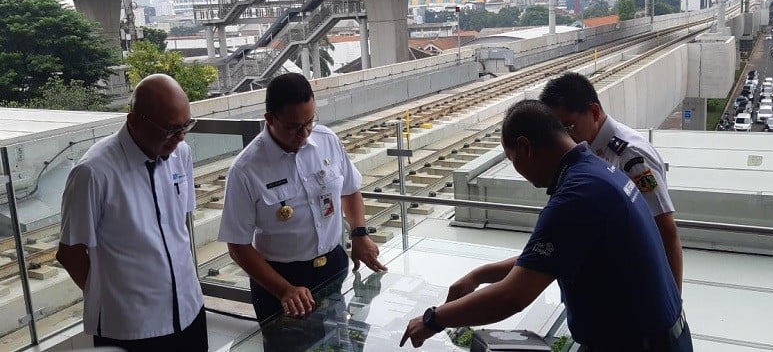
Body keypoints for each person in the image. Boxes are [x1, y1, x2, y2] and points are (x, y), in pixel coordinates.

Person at [400, 100, 691, 351]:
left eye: (512, 159)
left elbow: (513, 296)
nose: (517, 169)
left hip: (638, 346)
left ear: (525, 147)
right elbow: (548, 259)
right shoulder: (597, 172)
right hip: (656, 337)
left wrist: (433, 319)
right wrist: (479, 275)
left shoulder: (576, 195)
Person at [218, 73, 386, 330]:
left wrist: (359, 233)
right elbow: (238, 246)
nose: (305, 134)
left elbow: (350, 189)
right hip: (280, 280)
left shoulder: (327, 140)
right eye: (294, 127)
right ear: (270, 119)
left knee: (339, 342)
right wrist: (285, 289)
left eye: (309, 122)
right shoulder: (246, 169)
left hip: (333, 267)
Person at [56, 74, 207, 351]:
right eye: (171, 130)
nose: (180, 138)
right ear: (134, 122)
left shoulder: (180, 153)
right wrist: (114, 298)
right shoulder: (93, 172)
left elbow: (179, 229)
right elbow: (70, 253)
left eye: (186, 126)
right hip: (131, 329)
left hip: (190, 310)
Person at [538, 72, 684, 290]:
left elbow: (666, 230)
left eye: (568, 127)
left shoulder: (630, 156)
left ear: (594, 112)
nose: (564, 139)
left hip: (636, 279)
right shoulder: (585, 150)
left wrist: (673, 301)